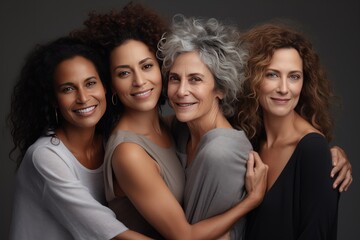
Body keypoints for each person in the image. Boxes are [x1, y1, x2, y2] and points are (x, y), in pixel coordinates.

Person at [71, 3, 268, 239]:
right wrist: (252, 201)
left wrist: (316, 145)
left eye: (146, 66)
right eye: (124, 73)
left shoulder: (174, 126)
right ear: (111, 85)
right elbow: (184, 236)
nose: (139, 81)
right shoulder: (129, 152)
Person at [8, 36, 150, 240]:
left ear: (105, 87)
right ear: (54, 100)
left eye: (90, 83)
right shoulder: (45, 157)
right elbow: (113, 234)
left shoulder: (111, 142)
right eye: (68, 89)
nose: (83, 98)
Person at [234, 22, 343, 239]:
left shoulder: (313, 150)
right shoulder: (250, 137)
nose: (284, 88)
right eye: (272, 74)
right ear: (252, 78)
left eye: (294, 76)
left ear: (305, 82)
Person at [157, 14, 257, 239]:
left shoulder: (219, 152)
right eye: (175, 78)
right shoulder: (182, 129)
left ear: (220, 89)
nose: (181, 91)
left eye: (195, 79)